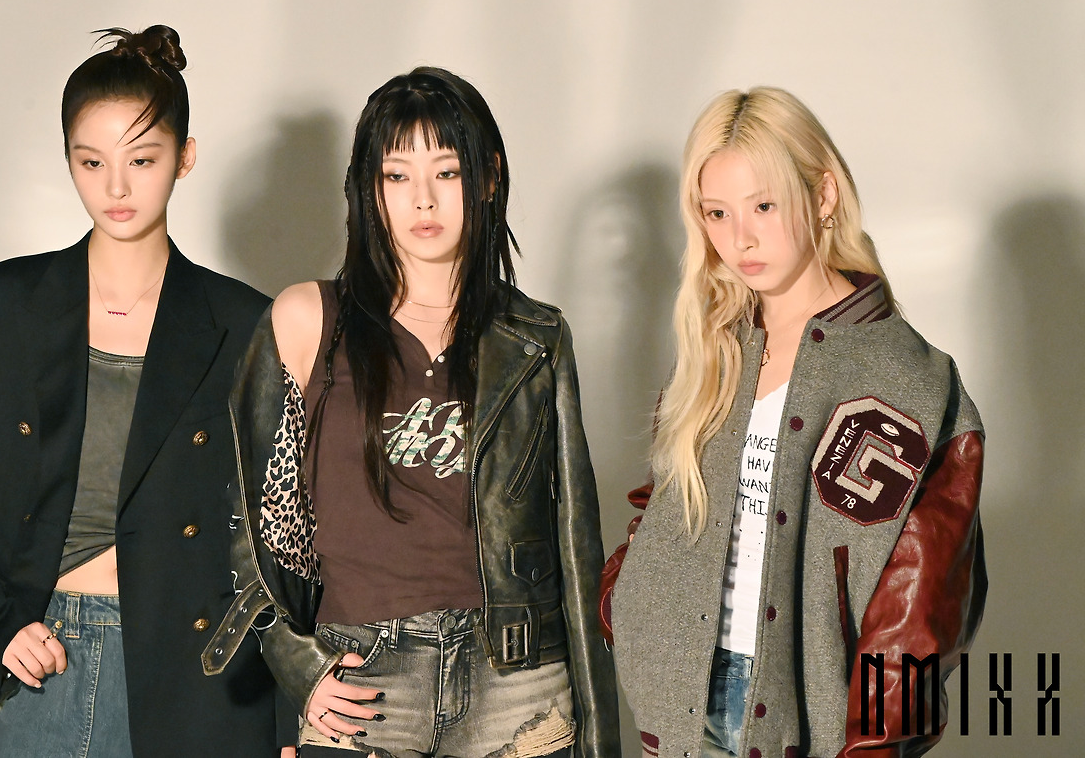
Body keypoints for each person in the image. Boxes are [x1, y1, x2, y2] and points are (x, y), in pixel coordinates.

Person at [199, 67, 620, 758]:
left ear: (488, 178)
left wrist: (599, 733)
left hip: (515, 679)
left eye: (446, 172)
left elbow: (577, 545)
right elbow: (252, 515)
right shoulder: (308, 319)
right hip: (364, 674)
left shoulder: (535, 338)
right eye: (397, 175)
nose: (423, 198)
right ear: (370, 189)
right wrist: (301, 666)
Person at [0, 25, 279, 757]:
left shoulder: (246, 323)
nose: (116, 188)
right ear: (68, 162)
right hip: (38, 658)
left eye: (142, 159)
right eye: (92, 162)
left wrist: (289, 709)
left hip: (192, 672)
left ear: (185, 157)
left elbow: (279, 527)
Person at [600, 87, 986, 758]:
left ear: (824, 194)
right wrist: (624, 602)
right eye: (716, 213)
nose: (740, 238)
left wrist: (875, 744)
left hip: (810, 723)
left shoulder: (910, 381)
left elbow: (923, 609)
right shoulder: (717, 349)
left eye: (764, 206)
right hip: (682, 707)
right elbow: (664, 504)